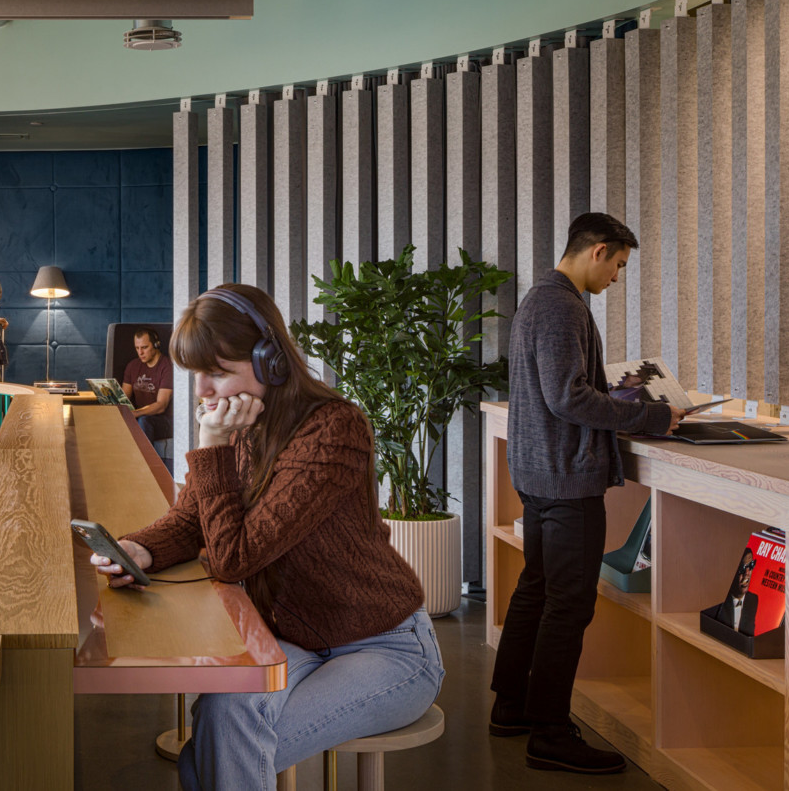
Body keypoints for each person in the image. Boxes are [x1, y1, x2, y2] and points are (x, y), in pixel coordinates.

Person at [91, 284, 442, 790]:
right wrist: (138, 548)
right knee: (222, 716)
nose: (204, 391)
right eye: (197, 375)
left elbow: (236, 558)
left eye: (216, 372)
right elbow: (193, 519)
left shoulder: (334, 430)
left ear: (269, 360)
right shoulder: (243, 426)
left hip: (386, 648)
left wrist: (209, 448)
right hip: (293, 638)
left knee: (209, 759)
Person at [488, 213, 683, 774]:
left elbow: (564, 392)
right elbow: (567, 399)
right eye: (619, 265)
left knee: (538, 588)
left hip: (538, 472)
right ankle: (549, 731)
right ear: (598, 251)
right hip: (564, 476)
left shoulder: (543, 300)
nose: (617, 279)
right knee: (568, 605)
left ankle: (513, 706)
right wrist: (648, 414)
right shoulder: (560, 305)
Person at [122, 327, 172, 440]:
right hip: (140, 416)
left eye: (144, 347)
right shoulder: (133, 366)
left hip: (163, 420)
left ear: (156, 345)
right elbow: (124, 398)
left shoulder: (167, 367)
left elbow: (161, 405)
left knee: (144, 420)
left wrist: (136, 413)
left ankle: (144, 458)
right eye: (137, 348)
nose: (140, 353)